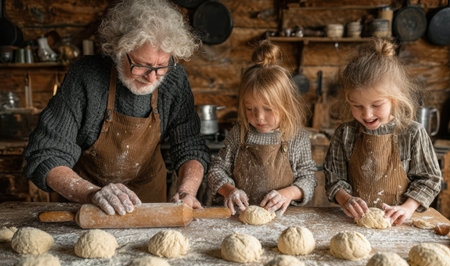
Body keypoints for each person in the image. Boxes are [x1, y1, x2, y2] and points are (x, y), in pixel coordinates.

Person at [23, 0, 210, 215]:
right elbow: (47, 154)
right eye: (141, 65)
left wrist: (187, 191)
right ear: (119, 50)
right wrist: (93, 193)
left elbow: (190, 146)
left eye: (161, 67)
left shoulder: (174, 80)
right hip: (88, 204)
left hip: (149, 204)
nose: (151, 78)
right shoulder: (86, 77)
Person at [324, 39, 442, 225]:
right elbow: (334, 178)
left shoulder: (413, 133)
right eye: (357, 106)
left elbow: (430, 179)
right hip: (351, 222)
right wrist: (346, 199)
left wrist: (407, 207)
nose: (367, 114)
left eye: (376, 105)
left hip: (400, 223)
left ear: (395, 98)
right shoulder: (345, 133)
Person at [208, 40, 317, 216]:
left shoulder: (295, 136)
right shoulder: (240, 133)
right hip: (240, 216)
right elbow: (216, 170)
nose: (259, 117)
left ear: (285, 106)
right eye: (250, 109)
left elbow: (309, 178)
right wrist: (229, 191)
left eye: (268, 109)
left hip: (282, 218)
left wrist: (288, 193)